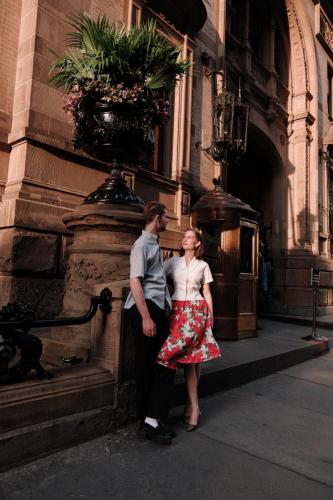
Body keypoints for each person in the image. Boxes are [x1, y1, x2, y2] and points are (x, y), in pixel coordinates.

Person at [157, 228, 221, 431]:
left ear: (197, 244)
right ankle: (192, 406)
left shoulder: (203, 265)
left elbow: (207, 292)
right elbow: (157, 276)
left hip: (196, 312)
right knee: (189, 359)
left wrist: (210, 317)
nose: (185, 239)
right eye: (184, 237)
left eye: (190, 238)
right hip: (176, 312)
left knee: (193, 360)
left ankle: (192, 408)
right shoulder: (173, 262)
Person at [124, 201, 176, 445]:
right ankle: (151, 420)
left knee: (155, 364)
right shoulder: (142, 244)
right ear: (157, 218)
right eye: (166, 217)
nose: (167, 222)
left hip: (154, 309)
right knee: (163, 362)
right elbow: (135, 281)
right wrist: (146, 317)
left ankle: (149, 420)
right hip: (145, 310)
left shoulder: (153, 243)